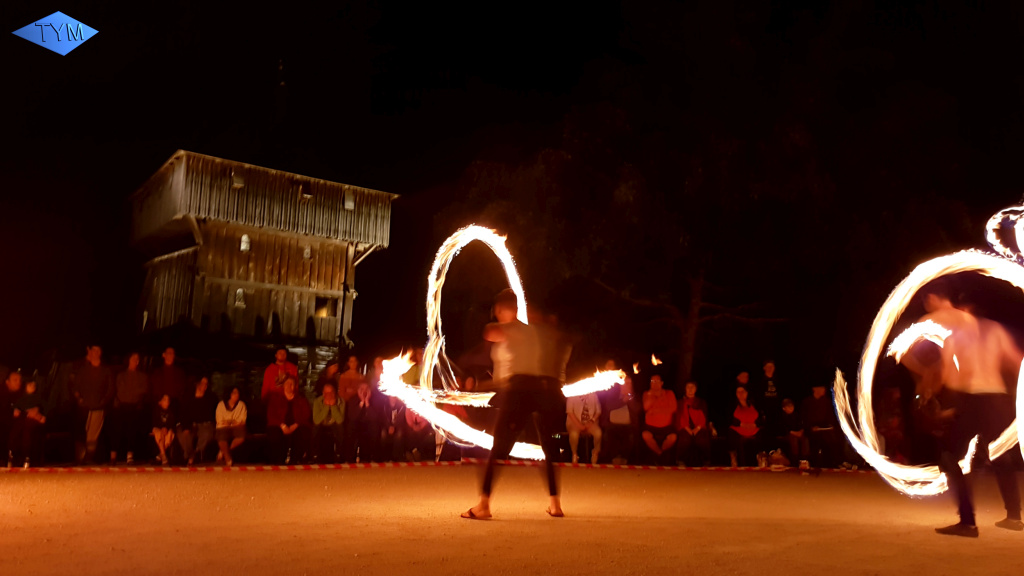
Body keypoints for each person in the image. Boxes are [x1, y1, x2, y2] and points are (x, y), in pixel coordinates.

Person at [901, 281, 1023, 537]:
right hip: (997, 397)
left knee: (949, 456)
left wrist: (931, 390)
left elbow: (950, 373)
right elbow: (1016, 362)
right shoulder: (997, 331)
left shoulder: (958, 333)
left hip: (970, 398)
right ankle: (1014, 516)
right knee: (1000, 452)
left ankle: (967, 521)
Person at [463, 289, 570, 520]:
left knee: (499, 448)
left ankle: (483, 506)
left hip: (521, 390)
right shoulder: (542, 331)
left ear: (503, 310)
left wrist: (504, 325)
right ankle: (556, 505)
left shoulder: (514, 327)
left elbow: (489, 331)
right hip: (547, 391)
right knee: (549, 449)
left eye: (498, 312)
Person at [68, 344, 115, 464]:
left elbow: (110, 389)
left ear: (100, 353)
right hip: (83, 407)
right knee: (80, 432)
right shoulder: (83, 370)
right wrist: (79, 398)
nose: (94, 353)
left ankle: (89, 457)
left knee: (93, 434)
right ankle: (79, 458)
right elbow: (75, 386)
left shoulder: (106, 371)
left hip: (98, 407)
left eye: (96, 350)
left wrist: (103, 401)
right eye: (92, 350)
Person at [111, 352, 149, 465]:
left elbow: (144, 390)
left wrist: (135, 396)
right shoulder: (121, 375)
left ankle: (130, 456)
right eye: (133, 358)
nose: (135, 361)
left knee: (131, 432)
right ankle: (113, 456)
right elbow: (119, 390)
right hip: (121, 406)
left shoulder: (142, 376)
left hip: (134, 406)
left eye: (137, 359)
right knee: (116, 431)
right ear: (128, 360)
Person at [266, 376, 312, 464]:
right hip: (279, 425)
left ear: (295, 386)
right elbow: (271, 414)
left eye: (291, 384)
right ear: (283, 385)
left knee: (303, 433)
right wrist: (282, 426)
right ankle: (278, 461)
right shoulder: (275, 398)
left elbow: (306, 414)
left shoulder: (301, 399)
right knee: (274, 435)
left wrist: (295, 425)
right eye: (287, 383)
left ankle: (294, 460)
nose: (289, 386)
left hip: (296, 425)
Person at [178, 376, 219, 466]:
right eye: (202, 383)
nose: (205, 386)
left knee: (207, 434)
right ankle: (190, 455)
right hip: (191, 424)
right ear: (197, 384)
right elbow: (184, 413)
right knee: (183, 435)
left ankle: (196, 453)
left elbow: (212, 414)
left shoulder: (211, 398)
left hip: (204, 424)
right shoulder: (188, 397)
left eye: (206, 384)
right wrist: (186, 426)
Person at [801, 383, 842, 469]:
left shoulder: (827, 402)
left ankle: (830, 464)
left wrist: (830, 426)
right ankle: (813, 464)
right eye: (821, 388)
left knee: (830, 441)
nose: (824, 390)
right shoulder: (807, 402)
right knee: (814, 442)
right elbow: (804, 417)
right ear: (815, 389)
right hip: (812, 428)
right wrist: (810, 427)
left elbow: (830, 416)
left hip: (824, 428)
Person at [10, 376, 46, 468]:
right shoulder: (21, 398)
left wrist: (38, 415)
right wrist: (18, 411)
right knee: (19, 429)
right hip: (22, 421)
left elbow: (41, 410)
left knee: (27, 430)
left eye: (34, 385)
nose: (32, 387)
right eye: (30, 385)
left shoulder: (38, 398)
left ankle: (27, 456)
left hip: (32, 422)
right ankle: (14, 453)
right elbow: (17, 409)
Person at [641, 374, 677, 465]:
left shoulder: (669, 393)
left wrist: (655, 410)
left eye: (657, 381)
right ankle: (660, 454)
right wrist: (650, 396)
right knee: (646, 435)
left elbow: (673, 408)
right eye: (652, 381)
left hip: (666, 426)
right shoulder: (646, 394)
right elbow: (646, 407)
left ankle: (662, 454)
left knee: (672, 437)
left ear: (661, 383)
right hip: (650, 426)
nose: (654, 384)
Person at [344, 382, 384, 462]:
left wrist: (367, 403)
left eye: (366, 389)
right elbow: (352, 417)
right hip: (356, 424)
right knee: (351, 427)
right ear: (358, 390)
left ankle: (372, 457)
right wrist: (362, 402)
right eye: (362, 389)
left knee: (374, 427)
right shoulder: (352, 400)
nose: (364, 391)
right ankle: (350, 458)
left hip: (369, 425)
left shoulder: (374, 400)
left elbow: (374, 418)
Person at [675, 381, 711, 467]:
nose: (690, 390)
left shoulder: (701, 402)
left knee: (701, 439)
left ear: (696, 389)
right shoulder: (680, 402)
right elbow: (679, 417)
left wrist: (697, 428)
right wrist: (687, 429)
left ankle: (706, 461)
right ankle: (680, 460)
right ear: (685, 389)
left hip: (699, 427)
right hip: (684, 427)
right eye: (688, 387)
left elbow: (704, 417)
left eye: (692, 387)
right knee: (684, 439)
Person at [728, 384, 763, 467]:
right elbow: (728, 419)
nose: (740, 394)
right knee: (731, 433)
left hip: (753, 428)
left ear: (747, 393)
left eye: (742, 391)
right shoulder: (732, 405)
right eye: (738, 392)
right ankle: (735, 459)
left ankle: (760, 457)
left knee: (762, 433)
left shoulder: (754, 404)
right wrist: (740, 424)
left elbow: (761, 418)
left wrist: (755, 424)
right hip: (739, 429)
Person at [312, 381, 346, 463]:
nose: (329, 395)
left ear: (335, 392)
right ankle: (314, 454)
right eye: (327, 393)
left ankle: (339, 453)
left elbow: (340, 420)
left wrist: (333, 406)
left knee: (340, 428)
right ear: (323, 393)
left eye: (331, 392)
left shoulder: (341, 401)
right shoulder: (317, 401)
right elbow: (316, 420)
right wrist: (326, 407)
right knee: (315, 429)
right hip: (322, 423)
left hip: (334, 423)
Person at [566, 391, 602, 464]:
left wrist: (591, 422)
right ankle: (574, 454)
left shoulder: (594, 395)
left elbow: (598, 411)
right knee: (574, 434)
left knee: (598, 433)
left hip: (590, 423)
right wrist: (579, 425)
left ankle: (595, 452)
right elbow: (569, 412)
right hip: (574, 422)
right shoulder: (572, 395)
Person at [215, 386, 248, 467]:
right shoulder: (221, 405)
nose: (236, 395)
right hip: (223, 427)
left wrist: (230, 422)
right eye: (234, 393)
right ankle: (227, 458)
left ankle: (224, 451)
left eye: (237, 393)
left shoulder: (241, 405)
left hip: (236, 427)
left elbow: (242, 420)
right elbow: (220, 420)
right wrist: (232, 422)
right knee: (221, 436)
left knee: (241, 436)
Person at [0, 370, 23, 467]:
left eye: (19, 380)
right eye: (15, 380)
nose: (18, 382)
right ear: (7, 382)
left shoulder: (21, 393)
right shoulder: (2, 392)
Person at [779, 398, 808, 468]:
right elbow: (785, 429)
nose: (791, 408)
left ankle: (804, 460)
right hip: (788, 434)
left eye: (791, 406)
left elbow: (802, 425)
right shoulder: (782, 417)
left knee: (805, 440)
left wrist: (801, 431)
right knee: (794, 440)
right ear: (784, 408)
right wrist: (794, 433)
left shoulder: (797, 415)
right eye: (788, 406)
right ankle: (795, 461)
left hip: (798, 433)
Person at [151, 394, 176, 466]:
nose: (167, 402)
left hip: (166, 429)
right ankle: (164, 457)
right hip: (157, 429)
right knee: (160, 434)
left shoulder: (171, 412)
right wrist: (161, 428)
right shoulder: (156, 410)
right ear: (160, 402)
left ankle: (160, 455)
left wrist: (167, 428)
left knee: (171, 434)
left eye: (168, 400)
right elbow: (154, 422)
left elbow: (172, 423)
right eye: (164, 400)